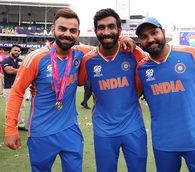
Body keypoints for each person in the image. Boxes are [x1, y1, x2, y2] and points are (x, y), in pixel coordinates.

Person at [135, 17, 195, 172]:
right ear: (140, 42)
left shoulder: (191, 54)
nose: (150, 39)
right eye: (144, 37)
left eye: (154, 33)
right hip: (163, 144)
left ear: (163, 32)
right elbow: (129, 96)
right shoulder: (141, 68)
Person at [4, 8, 91, 172]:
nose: (67, 34)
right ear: (53, 29)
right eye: (62, 29)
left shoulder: (81, 54)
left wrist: (123, 40)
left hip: (70, 130)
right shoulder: (36, 57)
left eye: (72, 30)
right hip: (41, 133)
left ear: (78, 33)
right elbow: (17, 92)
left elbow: (105, 47)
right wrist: (10, 129)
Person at [78, 8, 147, 172]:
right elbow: (78, 81)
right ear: (95, 31)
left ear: (119, 30)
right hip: (104, 130)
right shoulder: (88, 60)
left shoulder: (133, 53)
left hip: (134, 127)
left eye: (111, 27)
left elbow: (152, 68)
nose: (106, 31)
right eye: (101, 27)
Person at [2, 44, 27, 131]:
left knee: (22, 107)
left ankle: (21, 125)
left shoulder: (22, 61)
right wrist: (22, 70)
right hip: (9, 87)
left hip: (20, 87)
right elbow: (9, 70)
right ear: (11, 51)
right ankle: (10, 126)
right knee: (10, 107)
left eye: (18, 51)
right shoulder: (6, 60)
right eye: (15, 50)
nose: (17, 52)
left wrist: (16, 70)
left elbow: (26, 71)